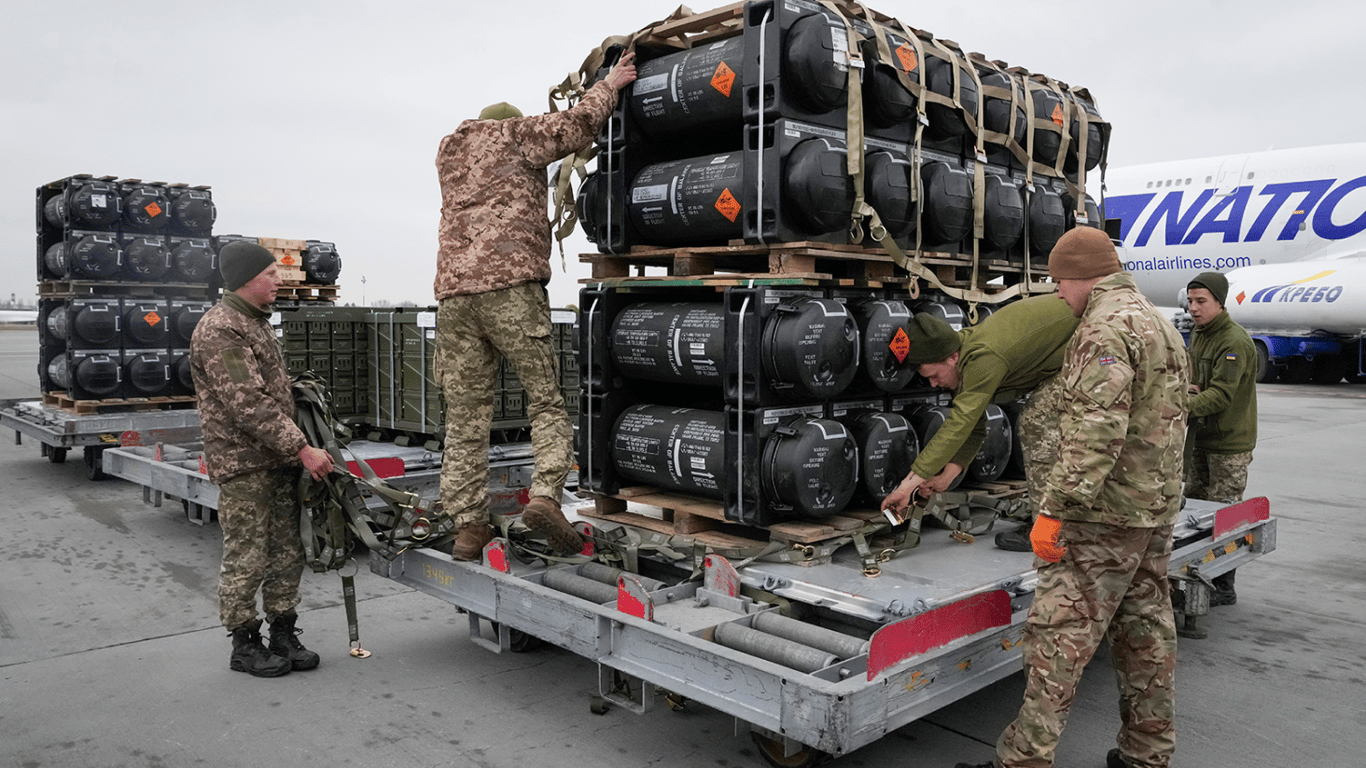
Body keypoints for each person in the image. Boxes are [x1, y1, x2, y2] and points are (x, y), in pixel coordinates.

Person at [956, 226, 1191, 768]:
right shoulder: (1161, 322)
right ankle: (1146, 753)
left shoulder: (1103, 329)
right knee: (1146, 633)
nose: (1058, 294)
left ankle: (1023, 760)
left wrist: (1055, 509)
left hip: (1102, 516)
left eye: (1059, 283)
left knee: (1057, 640)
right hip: (1153, 511)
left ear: (1082, 277)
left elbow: (1094, 431)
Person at [433, 52, 638, 561]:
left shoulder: (449, 152)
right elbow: (575, 126)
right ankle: (545, 497)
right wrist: (609, 85)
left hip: (454, 298)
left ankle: (468, 527)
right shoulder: (516, 136)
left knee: (465, 418)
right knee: (545, 400)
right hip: (511, 289)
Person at [191, 240, 335, 677]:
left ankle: (283, 631)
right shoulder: (222, 330)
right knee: (248, 555)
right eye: (271, 274)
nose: (279, 280)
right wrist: (302, 448)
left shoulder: (255, 324)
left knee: (287, 551)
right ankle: (244, 642)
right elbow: (248, 403)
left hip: (276, 460)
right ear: (245, 279)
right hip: (245, 463)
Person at [879, 296, 1079, 553]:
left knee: (1037, 422)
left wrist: (907, 485)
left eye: (934, 376)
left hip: (1094, 341)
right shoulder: (963, 357)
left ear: (951, 358)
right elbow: (974, 424)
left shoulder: (982, 359)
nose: (933, 384)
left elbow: (960, 423)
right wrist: (945, 478)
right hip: (1068, 353)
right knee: (1039, 418)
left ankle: (1051, 531)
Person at [1184, 271, 1257, 606]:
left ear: (1219, 302)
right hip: (1201, 437)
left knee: (1224, 517)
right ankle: (1197, 575)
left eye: (1201, 301)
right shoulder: (1200, 334)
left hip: (1228, 444)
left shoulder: (1233, 341)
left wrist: (1179, 405)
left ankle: (1224, 585)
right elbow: (1199, 383)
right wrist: (1190, 390)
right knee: (1195, 513)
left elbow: (1221, 395)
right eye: (1190, 301)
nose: (1194, 308)